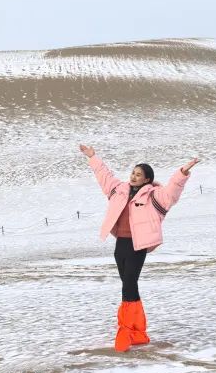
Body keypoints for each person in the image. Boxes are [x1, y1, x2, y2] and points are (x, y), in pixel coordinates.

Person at [79, 144, 198, 352]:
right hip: (121, 244)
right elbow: (104, 176)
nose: (133, 177)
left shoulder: (154, 195)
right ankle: (137, 331)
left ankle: (126, 330)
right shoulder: (119, 190)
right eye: (133, 173)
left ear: (147, 179)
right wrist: (92, 157)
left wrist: (182, 173)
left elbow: (172, 192)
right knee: (128, 284)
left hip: (138, 245)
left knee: (129, 284)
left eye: (138, 175)